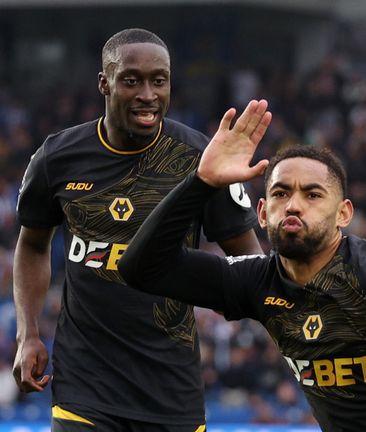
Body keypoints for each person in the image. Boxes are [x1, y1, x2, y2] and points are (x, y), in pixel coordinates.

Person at [118, 99, 366, 431]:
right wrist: (201, 182)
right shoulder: (254, 281)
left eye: (312, 194)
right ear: (262, 212)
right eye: (280, 193)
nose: (293, 204)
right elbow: (140, 267)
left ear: (344, 213)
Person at [13, 28, 262, 431]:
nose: (148, 94)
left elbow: (250, 263)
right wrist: (28, 334)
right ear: (104, 83)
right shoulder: (57, 157)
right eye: (132, 80)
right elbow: (33, 245)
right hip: (85, 384)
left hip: (171, 390)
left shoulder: (200, 159)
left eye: (158, 80)